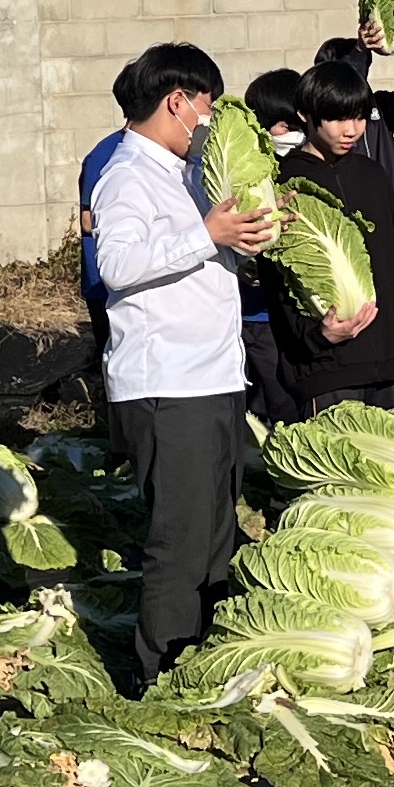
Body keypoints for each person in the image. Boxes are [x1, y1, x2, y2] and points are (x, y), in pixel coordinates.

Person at [87, 41, 274, 681]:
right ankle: (158, 672)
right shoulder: (125, 176)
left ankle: (203, 661)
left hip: (215, 376)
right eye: (207, 108)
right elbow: (115, 264)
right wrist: (207, 235)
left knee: (216, 539)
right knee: (181, 541)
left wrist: (241, 240)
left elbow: (201, 264)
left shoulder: (181, 175)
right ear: (177, 102)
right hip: (168, 384)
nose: (210, 122)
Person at [263, 59, 394, 408]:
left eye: (360, 117)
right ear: (305, 114)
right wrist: (317, 337)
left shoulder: (372, 175)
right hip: (324, 370)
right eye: (338, 118)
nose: (352, 130)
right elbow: (279, 281)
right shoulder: (282, 183)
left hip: (386, 370)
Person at [234, 68, 312, 426]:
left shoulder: (310, 170)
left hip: (303, 317)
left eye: (297, 123)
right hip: (259, 317)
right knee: (276, 408)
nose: (292, 134)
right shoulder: (246, 175)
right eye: (283, 126)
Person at [318, 0, 394, 225]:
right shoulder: (317, 117)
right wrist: (358, 51)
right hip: (346, 216)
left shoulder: (378, 107)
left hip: (387, 214)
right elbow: (340, 91)